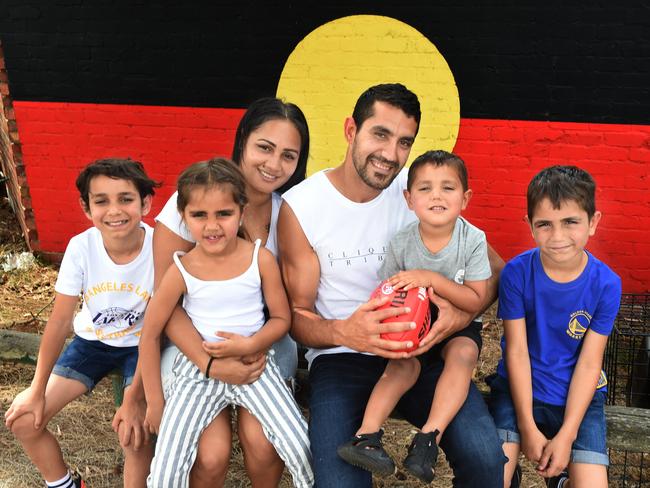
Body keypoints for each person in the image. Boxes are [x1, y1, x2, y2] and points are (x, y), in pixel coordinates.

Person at [278, 83, 506, 488]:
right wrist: (343, 330)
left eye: (404, 142)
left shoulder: (419, 194)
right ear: (351, 130)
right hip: (344, 356)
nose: (390, 154)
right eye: (380, 134)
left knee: (486, 460)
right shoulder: (303, 206)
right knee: (337, 483)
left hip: (424, 348)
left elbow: (495, 272)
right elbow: (297, 315)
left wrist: (459, 315)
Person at [149, 97, 309, 485]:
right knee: (211, 452)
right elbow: (166, 306)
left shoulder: (291, 208)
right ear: (242, 141)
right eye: (265, 148)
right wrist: (211, 365)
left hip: (262, 345)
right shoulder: (195, 200)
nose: (274, 165)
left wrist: (251, 346)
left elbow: (283, 309)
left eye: (289, 156)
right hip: (194, 343)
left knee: (263, 441)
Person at [337, 150, 492, 483]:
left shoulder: (473, 240)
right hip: (414, 327)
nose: (436, 195)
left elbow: (477, 298)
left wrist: (431, 278)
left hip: (455, 328)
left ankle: (428, 440)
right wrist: (391, 325)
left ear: (465, 198)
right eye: (425, 188)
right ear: (409, 199)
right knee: (400, 363)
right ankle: (366, 437)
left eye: (447, 188)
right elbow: (388, 292)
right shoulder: (402, 242)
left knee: (464, 354)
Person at [4, 158, 159, 488]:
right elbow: (60, 321)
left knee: (135, 434)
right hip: (92, 344)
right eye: (101, 201)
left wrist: (134, 401)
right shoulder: (81, 247)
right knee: (24, 421)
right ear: (86, 208)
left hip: (144, 346)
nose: (114, 210)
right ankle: (65, 484)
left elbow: (157, 328)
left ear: (146, 202)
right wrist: (36, 389)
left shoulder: (159, 247)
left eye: (126, 199)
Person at [488, 165, 621, 488]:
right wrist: (527, 426)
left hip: (580, 399)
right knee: (491, 478)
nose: (558, 237)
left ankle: (562, 481)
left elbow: (590, 363)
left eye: (571, 222)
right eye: (544, 224)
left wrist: (567, 434)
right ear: (530, 226)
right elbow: (517, 352)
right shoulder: (517, 274)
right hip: (519, 390)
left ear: (593, 222)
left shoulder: (606, 284)